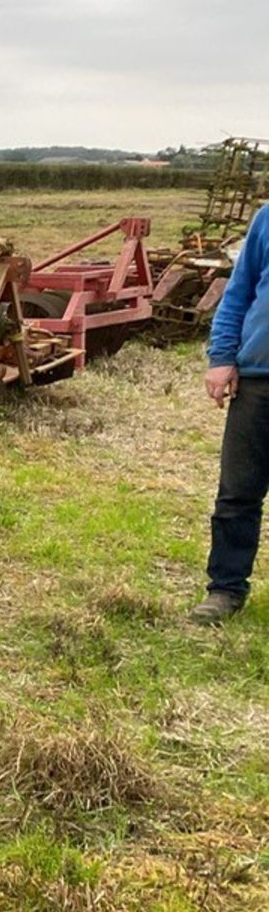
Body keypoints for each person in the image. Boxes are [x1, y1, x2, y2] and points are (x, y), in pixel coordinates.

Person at [192, 202, 269, 624]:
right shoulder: (267, 218)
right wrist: (222, 355)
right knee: (237, 493)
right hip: (259, 379)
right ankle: (225, 588)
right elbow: (239, 291)